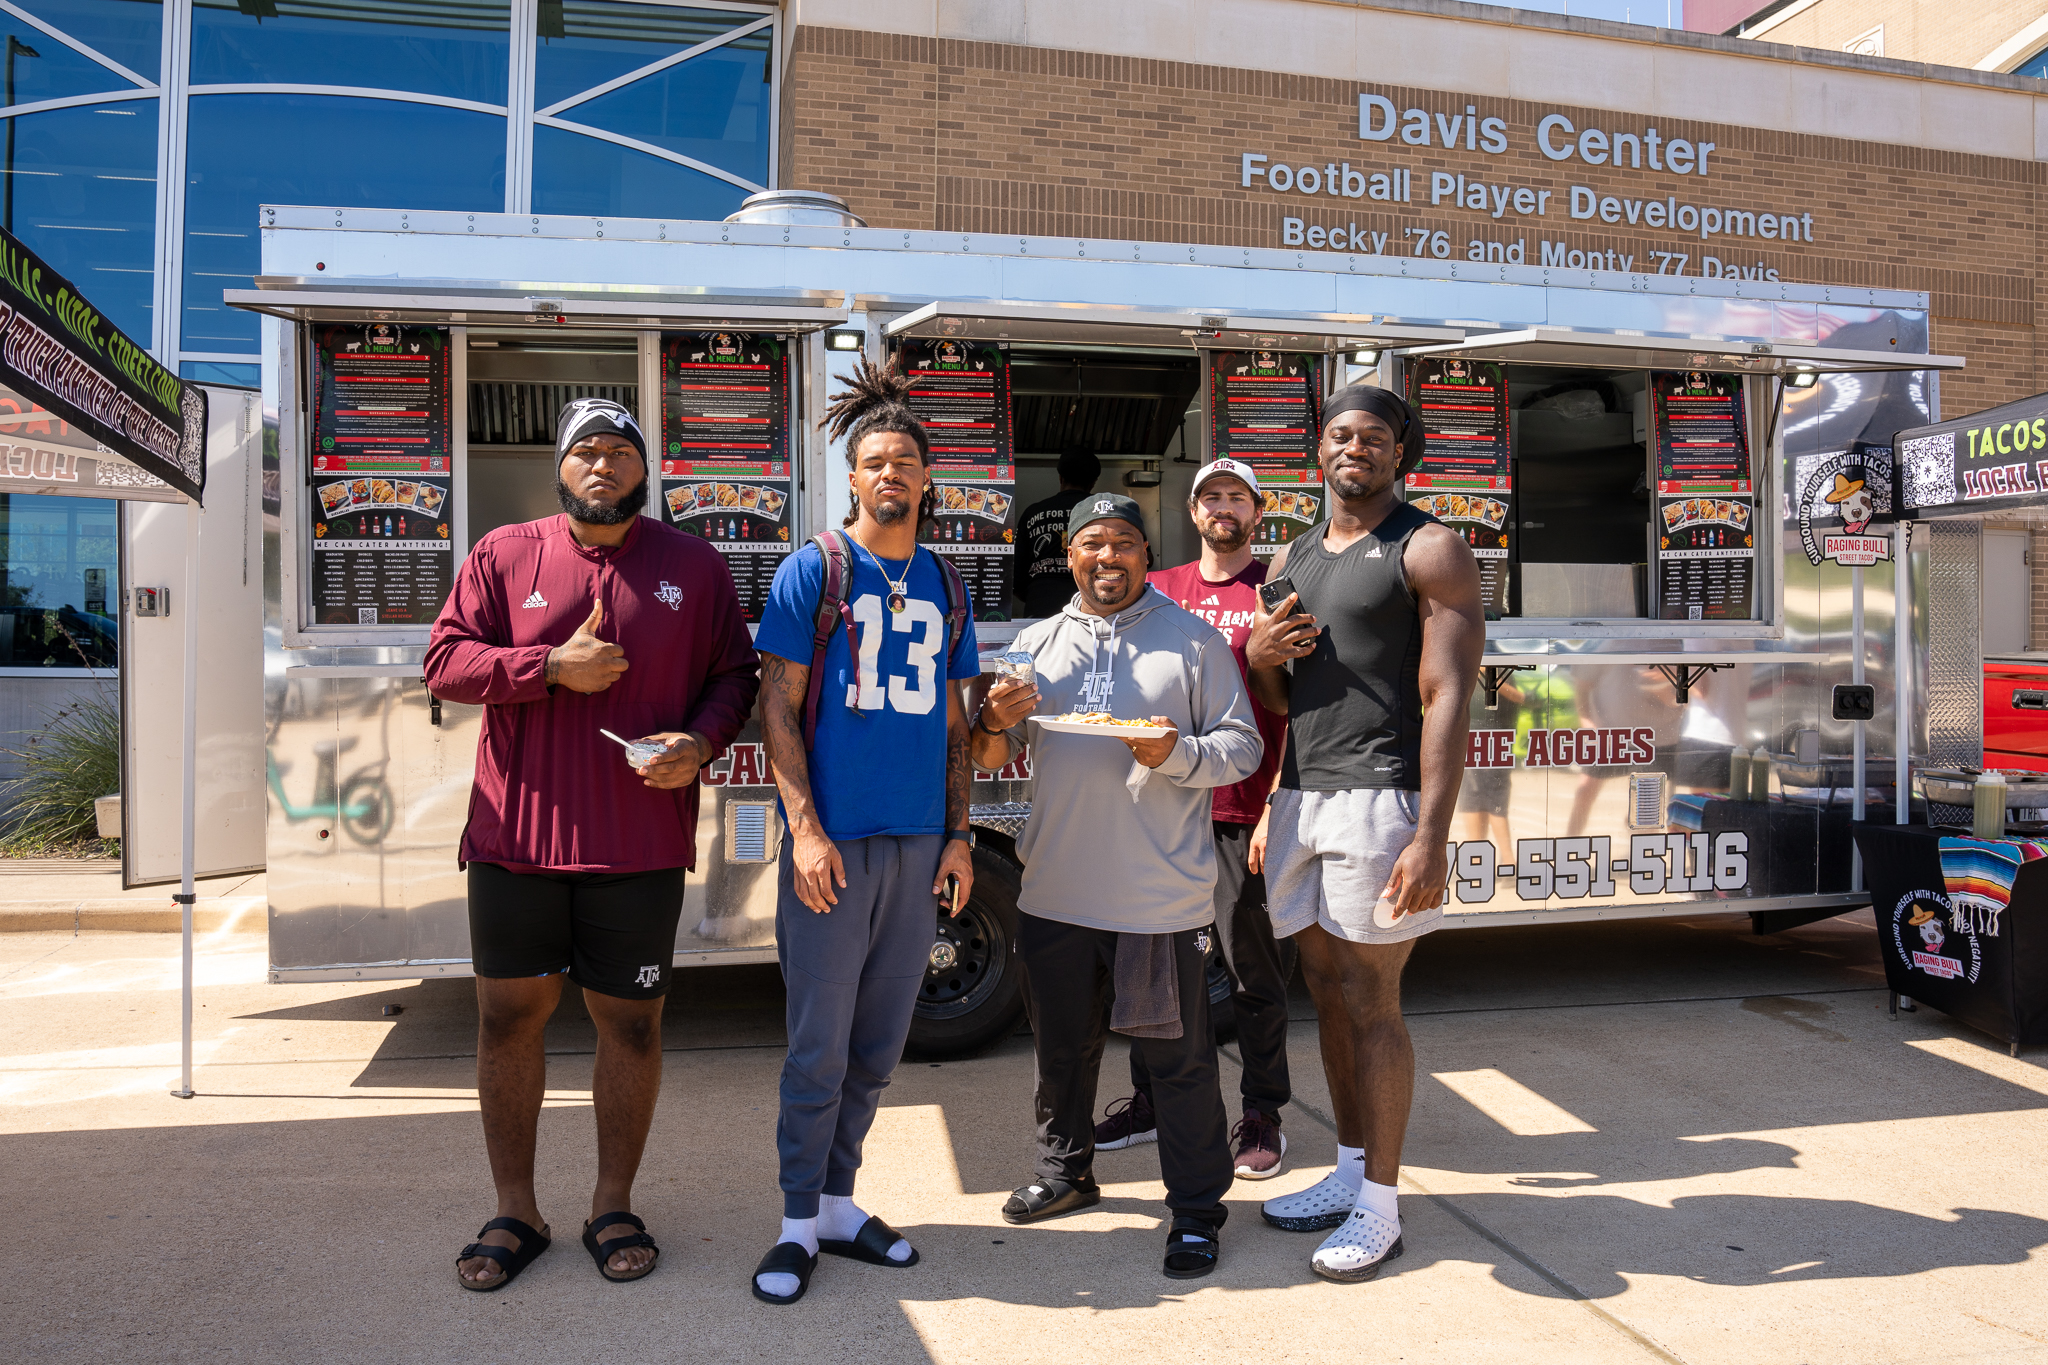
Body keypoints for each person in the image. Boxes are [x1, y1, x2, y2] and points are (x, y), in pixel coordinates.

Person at [427, 397, 760, 1291]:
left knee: (633, 1026)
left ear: (645, 471)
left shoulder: (693, 564)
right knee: (507, 1019)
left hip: (639, 843)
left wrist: (700, 742)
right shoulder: (505, 553)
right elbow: (446, 663)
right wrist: (548, 668)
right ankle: (516, 1209)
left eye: (619, 451)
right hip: (517, 836)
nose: (602, 465)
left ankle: (612, 1202)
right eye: (586, 453)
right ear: (561, 470)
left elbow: (736, 674)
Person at [973, 492, 1263, 1279]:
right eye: (1093, 543)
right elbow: (990, 761)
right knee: (1061, 1052)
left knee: (1177, 1061)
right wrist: (993, 721)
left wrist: (1174, 753)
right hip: (1055, 893)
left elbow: (1242, 748)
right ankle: (1066, 1172)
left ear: (1145, 554)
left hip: (1155, 901)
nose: (1109, 557)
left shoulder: (1194, 642)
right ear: (1069, 555)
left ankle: (1198, 1209)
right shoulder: (1034, 643)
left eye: (1126, 543)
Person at [748, 357, 980, 1306]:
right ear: (852, 475)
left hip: (919, 843)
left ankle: (841, 1202)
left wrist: (962, 835)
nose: (892, 474)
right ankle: (797, 1219)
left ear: (928, 479)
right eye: (875, 460)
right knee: (818, 1041)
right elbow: (777, 705)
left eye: (907, 461)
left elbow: (961, 727)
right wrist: (804, 830)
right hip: (834, 847)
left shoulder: (947, 582)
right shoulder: (816, 568)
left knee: (881, 1042)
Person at [1245, 385, 1483, 1284]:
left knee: (1373, 996)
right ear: (1319, 450)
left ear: (1400, 450)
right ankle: (1347, 1168)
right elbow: (1285, 700)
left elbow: (1447, 695)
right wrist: (1261, 663)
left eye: (1374, 438)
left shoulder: (1429, 547)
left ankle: (1380, 1206)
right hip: (1304, 797)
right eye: (1341, 435)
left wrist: (1431, 834)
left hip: (1381, 799)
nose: (1356, 449)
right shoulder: (1296, 553)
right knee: (1325, 988)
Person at [1092, 457, 1294, 1179]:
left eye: (1237, 495)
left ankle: (1262, 1113)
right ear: (1193, 509)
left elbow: (1304, 703)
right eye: (1210, 495)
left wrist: (1277, 800)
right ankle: (1151, 1100)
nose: (1222, 506)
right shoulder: (1162, 588)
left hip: (1243, 809)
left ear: (1257, 512)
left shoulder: (1279, 590)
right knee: (1154, 973)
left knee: (1251, 975)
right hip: (1162, 811)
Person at [1017, 448, 1101, 618]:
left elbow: (1017, 573)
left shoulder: (1033, 513)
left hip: (1041, 605)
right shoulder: (1103, 513)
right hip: (1092, 607)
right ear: (1093, 482)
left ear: (1061, 478)